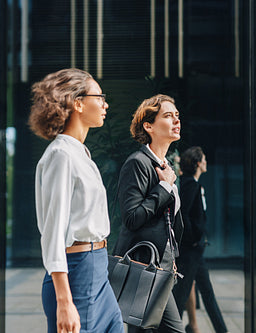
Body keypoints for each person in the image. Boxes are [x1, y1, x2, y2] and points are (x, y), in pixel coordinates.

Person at [29, 68, 124, 333]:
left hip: (97, 269)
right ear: (78, 103)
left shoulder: (80, 154)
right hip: (76, 274)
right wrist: (64, 301)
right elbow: (52, 233)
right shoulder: (61, 155)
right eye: (100, 96)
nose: (105, 104)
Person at [113, 94, 185, 333]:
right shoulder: (138, 163)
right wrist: (163, 188)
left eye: (176, 115)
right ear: (148, 125)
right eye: (167, 115)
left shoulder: (166, 167)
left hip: (160, 269)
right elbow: (131, 218)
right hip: (144, 269)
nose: (176, 120)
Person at [172, 146, 229, 333]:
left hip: (196, 251)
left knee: (207, 293)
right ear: (198, 163)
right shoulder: (190, 185)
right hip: (191, 251)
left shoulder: (193, 184)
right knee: (180, 298)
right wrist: (195, 237)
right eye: (204, 159)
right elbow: (184, 216)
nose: (206, 162)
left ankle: (222, 330)